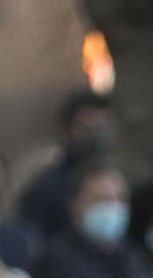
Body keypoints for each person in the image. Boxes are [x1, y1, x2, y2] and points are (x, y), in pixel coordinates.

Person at [17, 89, 114, 241]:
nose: (95, 137)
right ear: (65, 130)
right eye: (87, 128)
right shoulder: (44, 190)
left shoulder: (115, 182)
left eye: (101, 129)